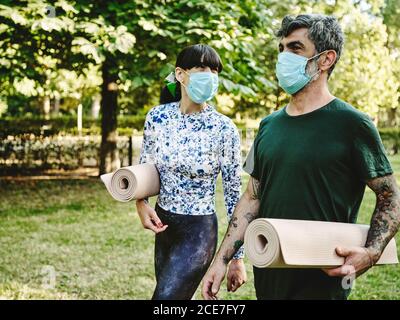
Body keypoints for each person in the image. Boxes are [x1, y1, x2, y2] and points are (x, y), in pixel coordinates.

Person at [202, 14, 400, 300]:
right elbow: (252, 198)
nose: (283, 58)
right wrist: (221, 262)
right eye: (281, 49)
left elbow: (389, 196)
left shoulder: (353, 124)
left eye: (295, 48)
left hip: (323, 280)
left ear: (325, 59)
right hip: (268, 272)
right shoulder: (268, 125)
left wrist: (371, 252)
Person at [136, 44, 246, 300]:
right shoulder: (157, 117)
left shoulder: (224, 128)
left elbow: (234, 195)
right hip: (164, 227)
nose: (210, 75)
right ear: (180, 74)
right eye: (202, 68)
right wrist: (141, 204)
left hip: (199, 232)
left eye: (215, 70)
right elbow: (144, 167)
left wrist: (237, 258)